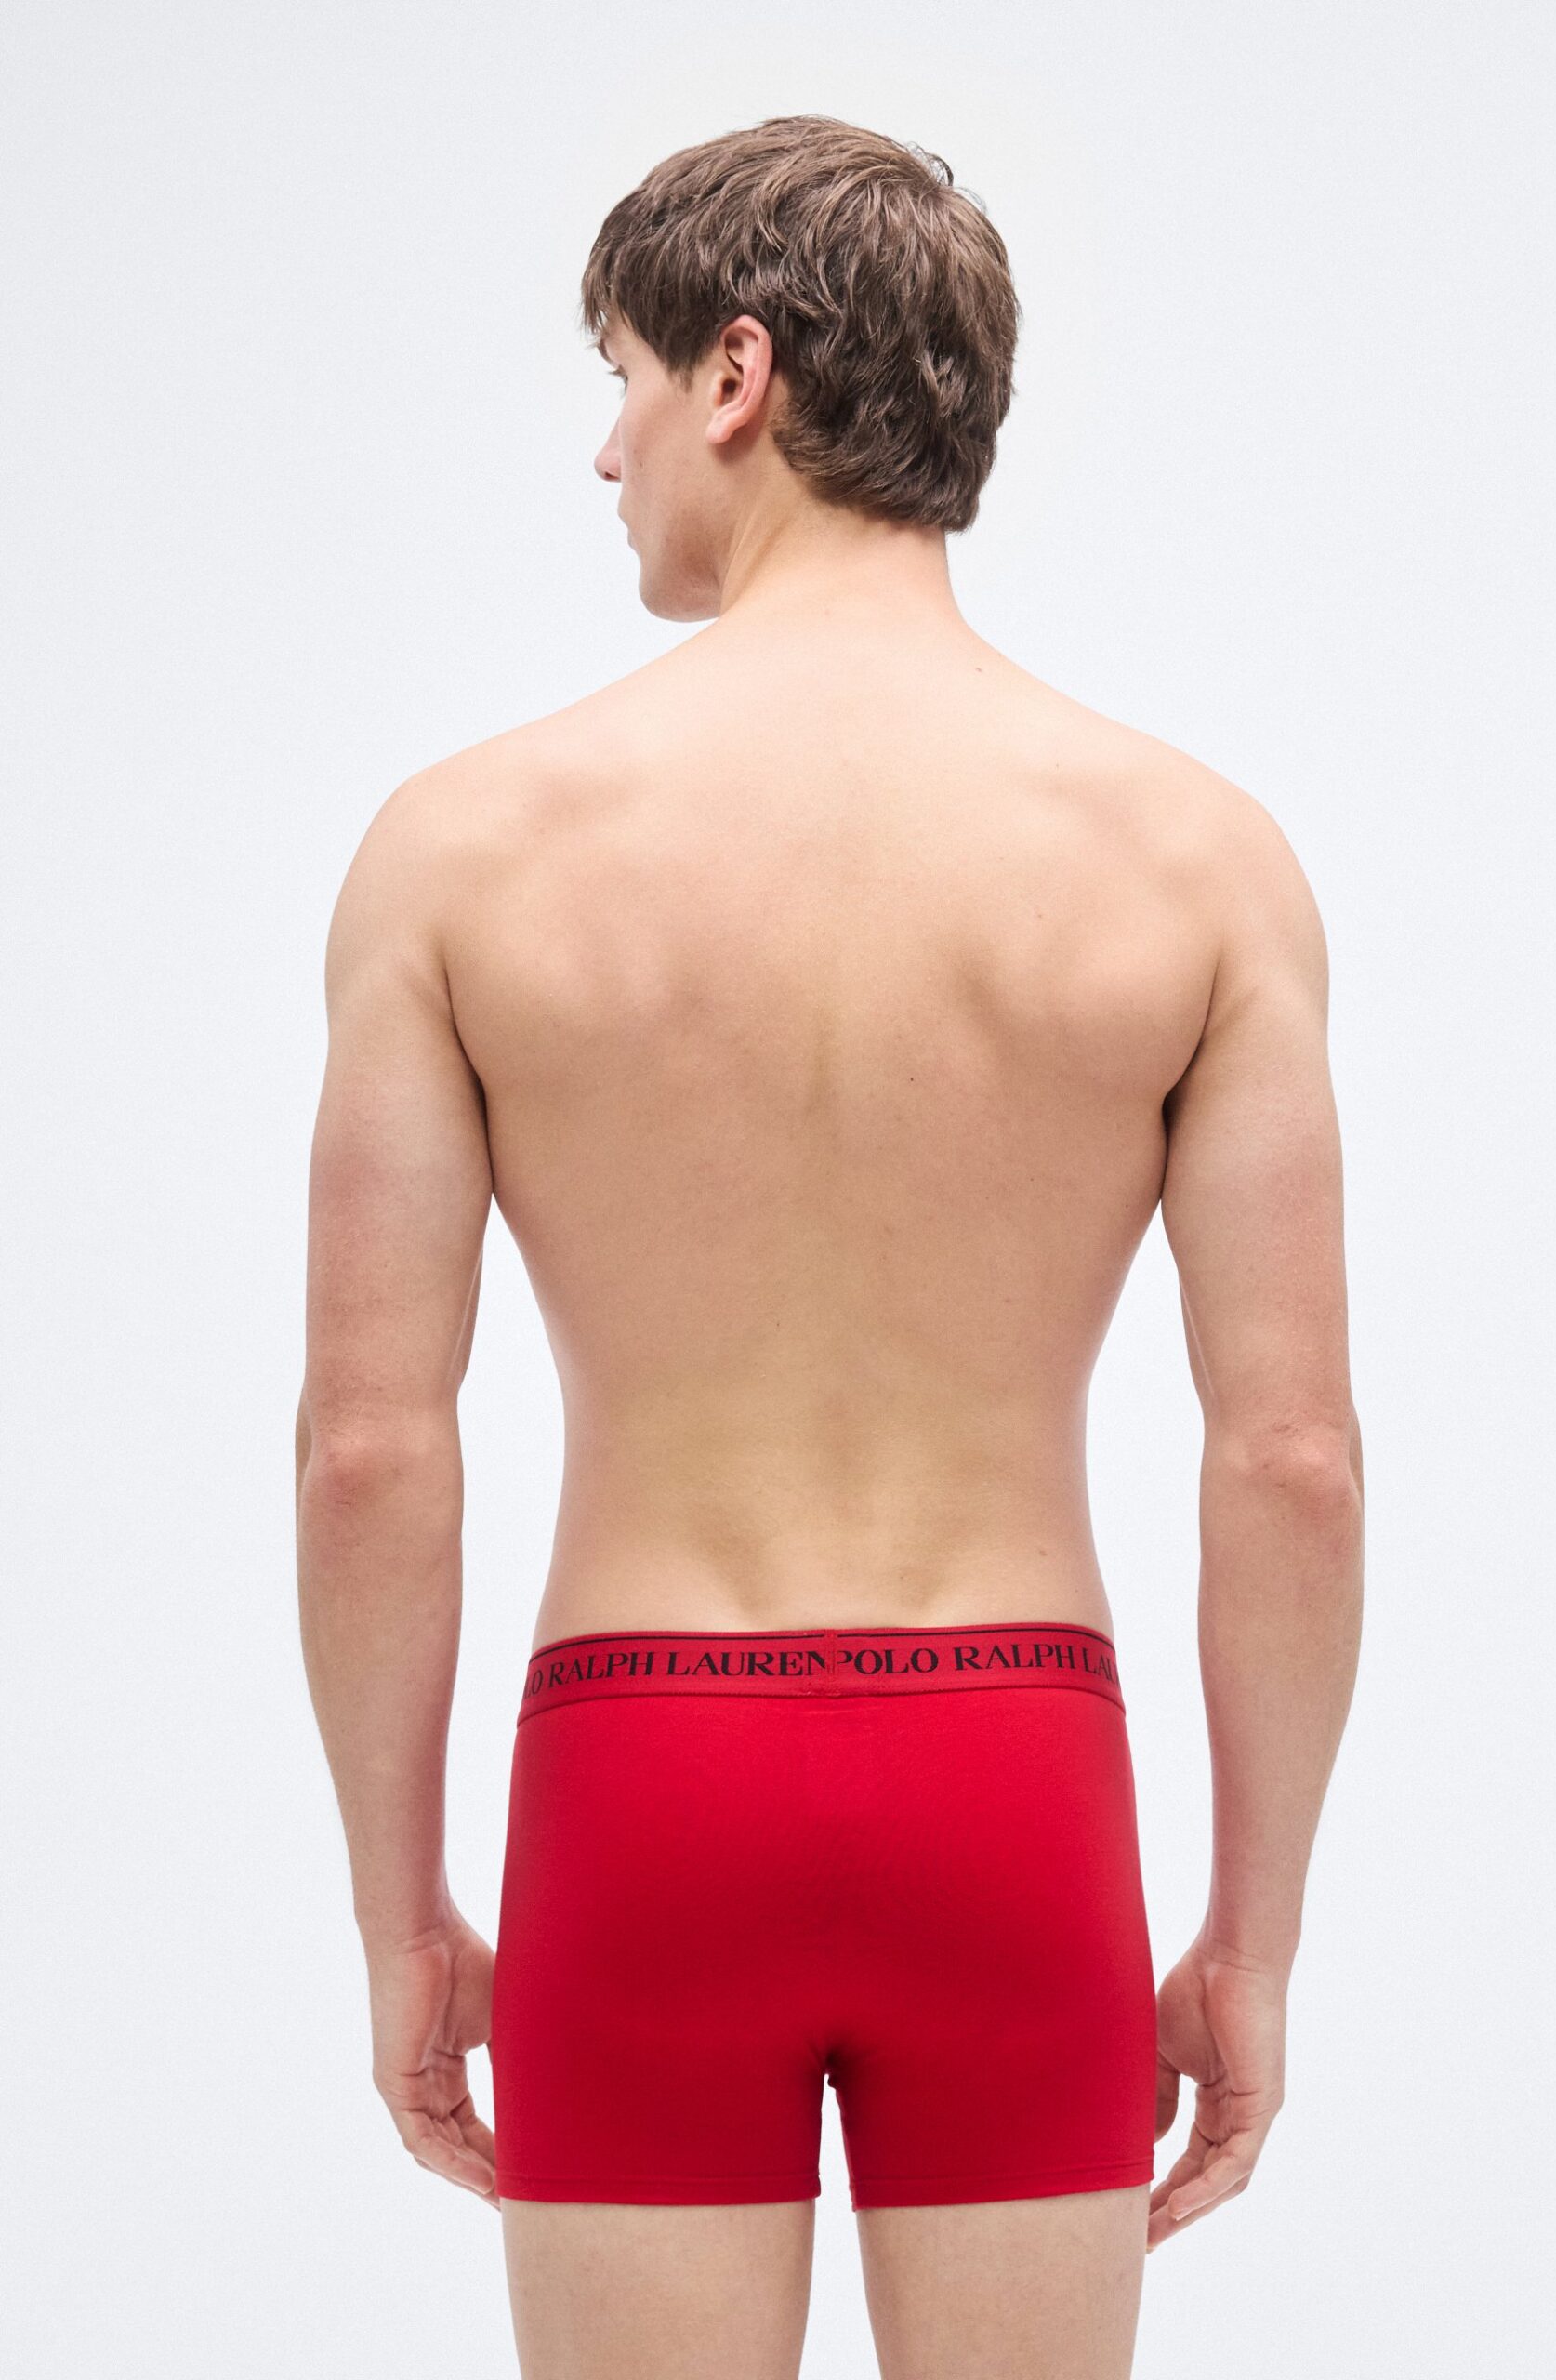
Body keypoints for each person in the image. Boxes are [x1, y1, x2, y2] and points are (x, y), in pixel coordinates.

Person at [296, 113, 1364, 2380]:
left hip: (639, 1783)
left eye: (618, 378)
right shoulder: (1196, 862)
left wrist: (402, 1916)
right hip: (1013, 1782)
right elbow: (1288, 1455)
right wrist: (1247, 1937)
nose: (604, 453)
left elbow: (369, 1447)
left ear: (735, 374)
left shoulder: (463, 851)